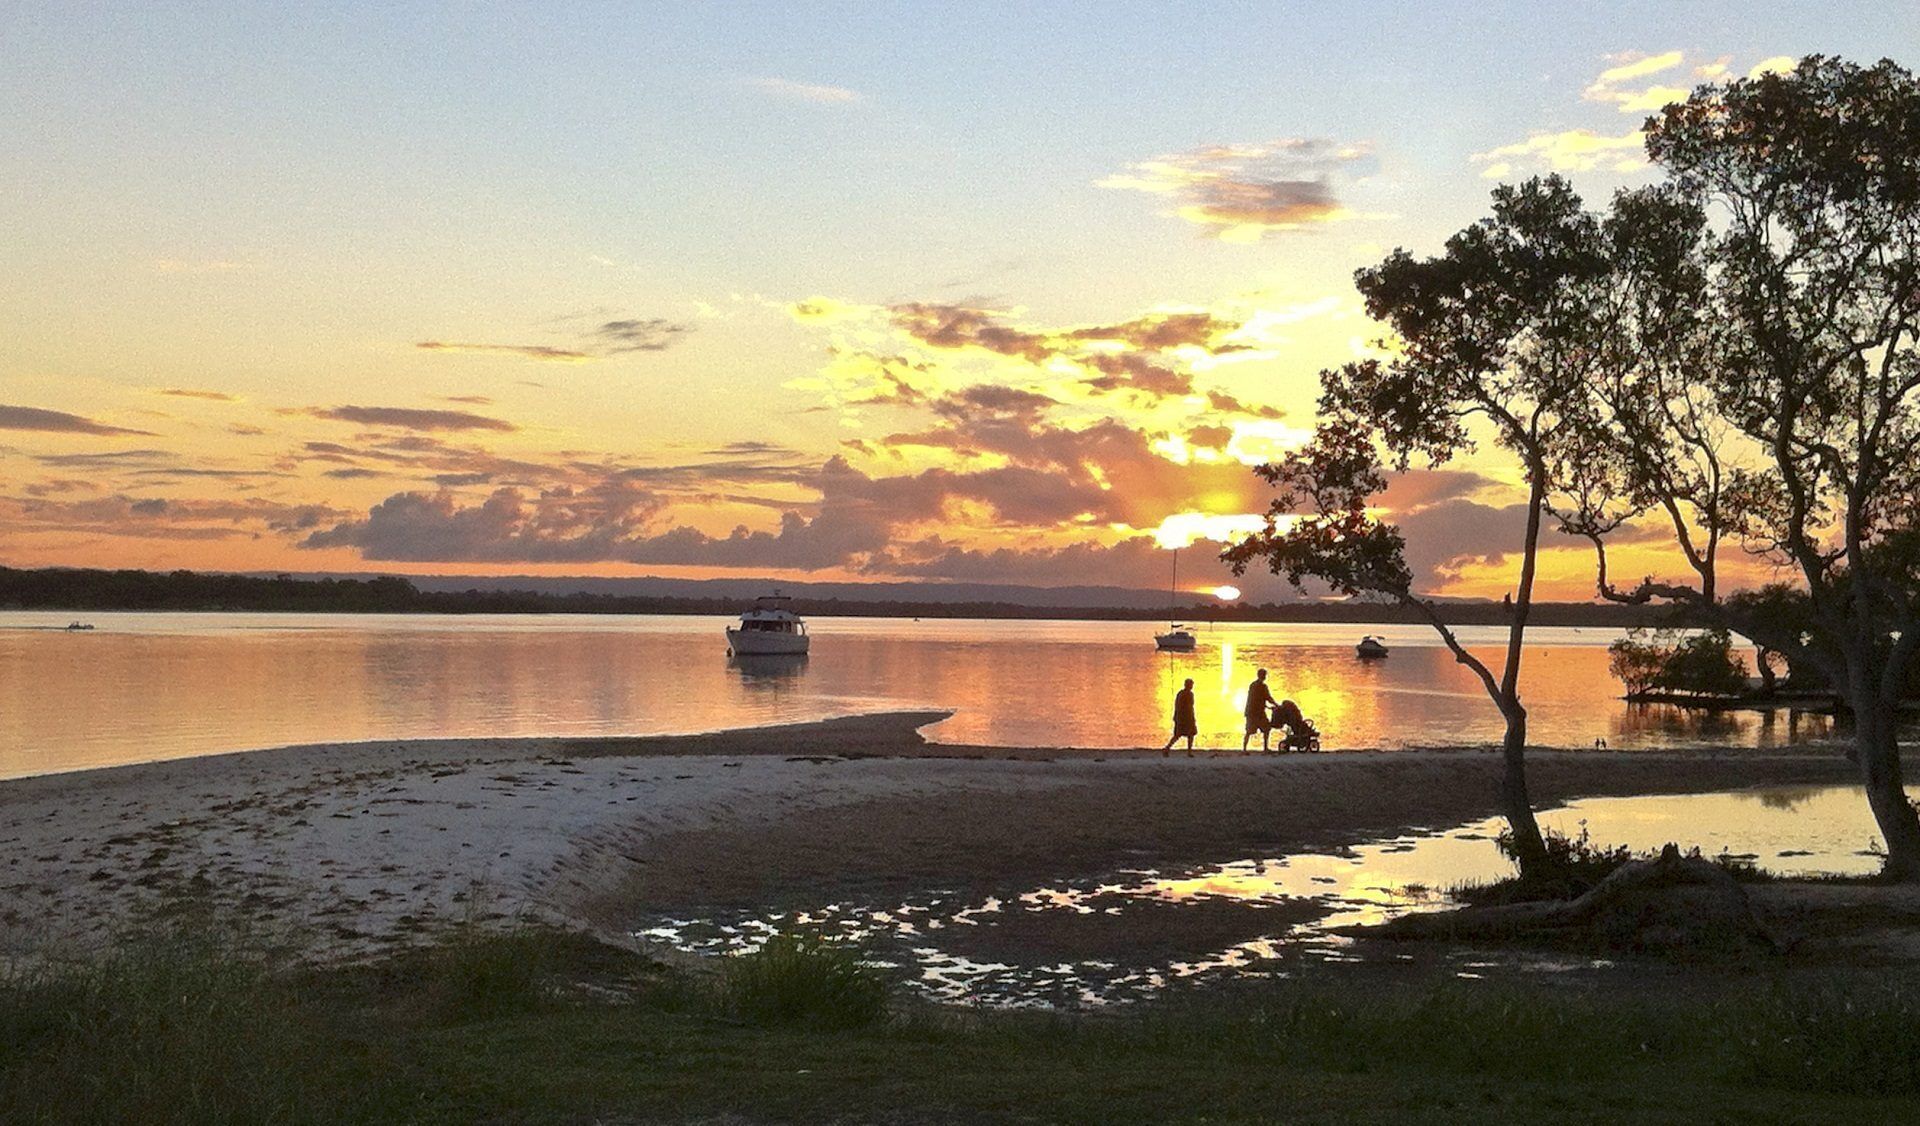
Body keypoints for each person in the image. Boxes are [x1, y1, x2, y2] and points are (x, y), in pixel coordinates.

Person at [1242, 668, 1275, 752]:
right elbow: (1268, 698)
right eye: (1264, 675)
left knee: (1249, 731)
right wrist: (1276, 705)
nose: (1265, 677)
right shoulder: (1263, 686)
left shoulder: (1253, 685)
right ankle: (1265, 748)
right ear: (1262, 676)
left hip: (1251, 712)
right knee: (1266, 729)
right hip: (1257, 713)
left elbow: (1252, 699)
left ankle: (1244, 749)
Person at [1163, 678, 1198, 755]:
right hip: (1184, 717)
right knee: (1179, 735)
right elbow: (1185, 706)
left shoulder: (1183, 693)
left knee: (1189, 735)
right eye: (1190, 685)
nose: (1191, 686)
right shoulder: (1185, 694)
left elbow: (1187, 706)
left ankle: (1188, 751)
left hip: (1184, 717)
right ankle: (1167, 748)